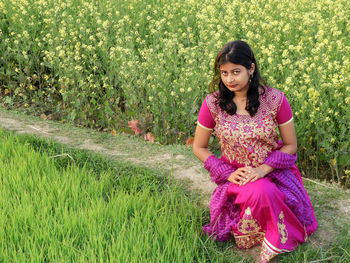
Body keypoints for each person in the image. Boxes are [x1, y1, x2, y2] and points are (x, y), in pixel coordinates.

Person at [193, 40, 317, 262]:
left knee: (264, 190)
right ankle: (276, 234)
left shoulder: (275, 99)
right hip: (236, 176)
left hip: (273, 170)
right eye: (224, 73)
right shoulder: (213, 103)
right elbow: (199, 147)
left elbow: (291, 145)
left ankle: (278, 237)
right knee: (259, 192)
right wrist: (226, 172)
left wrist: (263, 169)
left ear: (251, 69)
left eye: (236, 72)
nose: (229, 79)